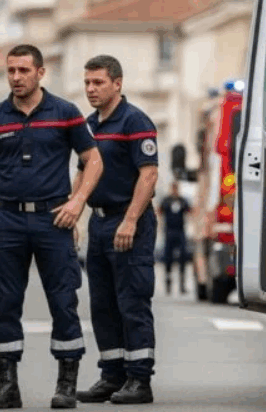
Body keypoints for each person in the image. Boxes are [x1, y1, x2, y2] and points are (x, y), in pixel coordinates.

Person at [0, 44, 104, 410]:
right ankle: (7, 387)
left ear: (41, 73)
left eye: (24, 71)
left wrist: (77, 203)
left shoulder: (66, 113)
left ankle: (66, 385)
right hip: (7, 219)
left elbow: (93, 161)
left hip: (52, 219)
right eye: (11, 71)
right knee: (5, 303)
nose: (16, 78)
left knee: (63, 301)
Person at [76, 55, 160, 405]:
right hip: (98, 221)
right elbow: (82, 172)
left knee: (132, 300)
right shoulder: (89, 125)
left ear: (117, 83)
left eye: (98, 82)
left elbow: (149, 174)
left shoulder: (134, 120)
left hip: (129, 221)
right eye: (87, 83)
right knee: (102, 304)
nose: (91, 89)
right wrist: (73, 211)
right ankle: (112, 375)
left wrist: (130, 219)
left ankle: (139, 379)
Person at [157, 181, 192, 296]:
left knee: (182, 257)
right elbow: (159, 212)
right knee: (168, 258)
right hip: (169, 231)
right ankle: (168, 284)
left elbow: (190, 212)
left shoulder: (182, 201)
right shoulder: (166, 200)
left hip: (180, 231)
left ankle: (182, 284)